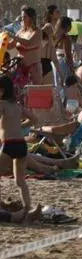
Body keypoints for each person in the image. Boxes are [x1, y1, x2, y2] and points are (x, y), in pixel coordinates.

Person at [0, 75, 34, 221]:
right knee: (21, 182)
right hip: (21, 144)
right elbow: (34, 119)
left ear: (1, 91)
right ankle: (28, 209)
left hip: (9, 144)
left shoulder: (1, 104)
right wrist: (19, 127)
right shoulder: (17, 106)